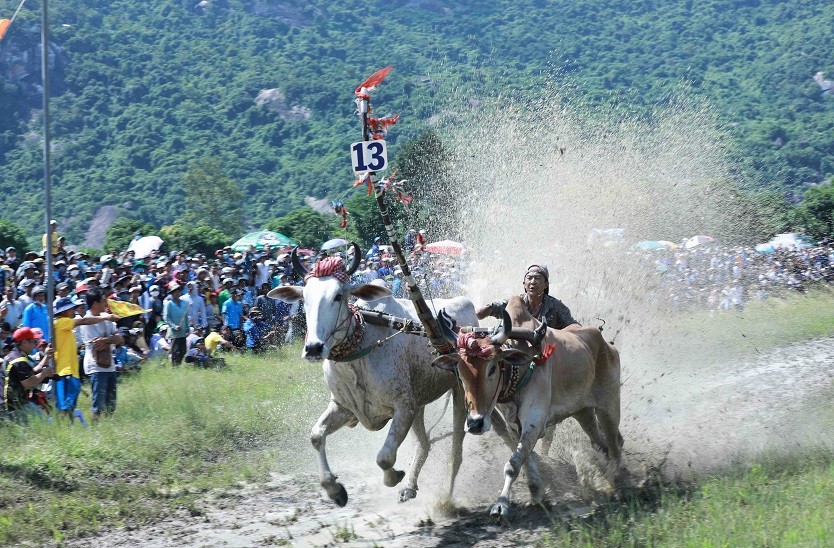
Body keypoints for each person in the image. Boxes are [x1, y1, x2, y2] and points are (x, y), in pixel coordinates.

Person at [53, 296, 118, 420]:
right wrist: (106, 317)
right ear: (65, 311)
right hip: (66, 371)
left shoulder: (66, 326)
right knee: (66, 407)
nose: (74, 311)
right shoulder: (61, 322)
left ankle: (68, 430)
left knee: (70, 406)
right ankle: (65, 430)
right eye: (71, 309)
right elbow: (83, 321)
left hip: (71, 371)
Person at [476, 264, 580, 330]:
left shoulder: (556, 306)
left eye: (538, 278)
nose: (533, 282)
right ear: (524, 284)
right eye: (529, 278)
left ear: (546, 284)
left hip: (547, 352)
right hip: (518, 350)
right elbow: (497, 307)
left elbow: (573, 326)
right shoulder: (516, 303)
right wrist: (486, 310)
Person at [80, 287, 124, 419]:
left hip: (109, 364)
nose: (106, 304)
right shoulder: (87, 321)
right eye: (104, 301)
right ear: (95, 304)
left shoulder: (106, 317)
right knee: (98, 405)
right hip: (96, 366)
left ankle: (107, 429)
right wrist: (111, 339)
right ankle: (95, 432)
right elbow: (97, 344)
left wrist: (107, 339)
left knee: (111, 404)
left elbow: (120, 339)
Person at [3, 327, 54, 420]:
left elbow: (32, 371)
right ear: (25, 342)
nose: (35, 345)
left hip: (16, 403)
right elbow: (28, 383)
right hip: (12, 407)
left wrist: (47, 357)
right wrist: (45, 373)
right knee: (43, 422)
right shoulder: (18, 360)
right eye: (33, 341)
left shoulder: (15, 354)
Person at [162, 280, 190, 366]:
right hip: (174, 332)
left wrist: (187, 328)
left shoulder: (184, 303)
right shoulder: (169, 304)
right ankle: (174, 366)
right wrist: (174, 326)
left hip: (182, 331)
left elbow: (185, 316)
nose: (177, 293)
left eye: (178, 291)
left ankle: (178, 364)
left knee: (183, 350)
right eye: (175, 292)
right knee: (176, 350)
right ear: (172, 294)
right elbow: (166, 317)